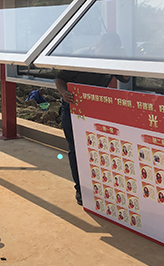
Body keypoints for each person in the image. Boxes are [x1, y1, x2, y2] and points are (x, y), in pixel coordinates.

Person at [55, 33, 130, 206]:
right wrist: (64, 93)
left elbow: (125, 78)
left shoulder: (112, 60)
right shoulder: (80, 58)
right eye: (104, 49)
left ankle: (97, 186)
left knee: (96, 149)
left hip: (94, 110)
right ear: (97, 46)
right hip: (72, 108)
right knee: (75, 149)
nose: (106, 53)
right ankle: (80, 189)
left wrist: (125, 57)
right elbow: (59, 78)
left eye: (111, 50)